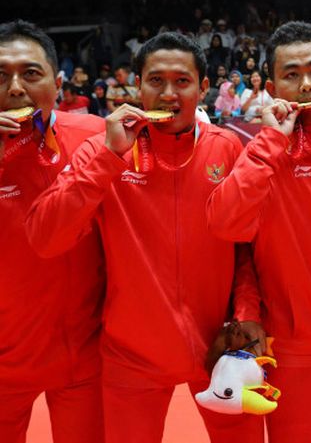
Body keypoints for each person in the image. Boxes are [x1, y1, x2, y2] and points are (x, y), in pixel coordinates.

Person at [26, 32, 265, 443]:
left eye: (182, 81)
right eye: (156, 81)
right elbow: (47, 237)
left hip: (222, 348)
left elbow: (248, 249)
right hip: (130, 356)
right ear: (137, 86)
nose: (168, 93)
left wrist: (246, 313)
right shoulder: (103, 150)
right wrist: (106, 159)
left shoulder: (227, 149)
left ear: (203, 88)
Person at [207, 21, 311, 443]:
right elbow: (230, 232)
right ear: (272, 86)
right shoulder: (258, 155)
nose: (305, 85)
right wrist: (268, 144)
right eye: (291, 75)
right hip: (292, 349)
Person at [0, 19, 106, 443]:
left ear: (57, 83)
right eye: (1, 76)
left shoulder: (96, 138)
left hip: (84, 358)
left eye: (30, 73)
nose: (15, 89)